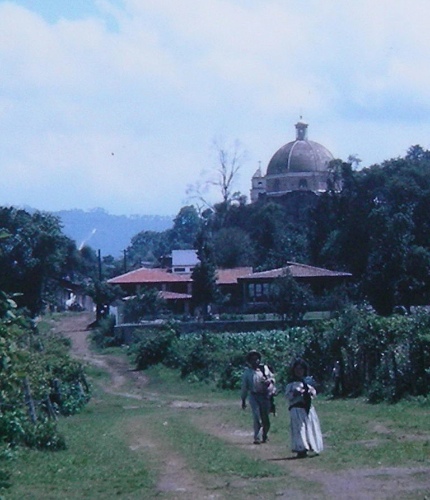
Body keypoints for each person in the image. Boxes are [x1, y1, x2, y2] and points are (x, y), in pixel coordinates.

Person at [285, 358, 323, 458]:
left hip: (308, 408)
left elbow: (314, 393)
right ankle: (301, 449)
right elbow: (288, 396)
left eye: (301, 369)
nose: (299, 371)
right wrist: (295, 394)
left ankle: (312, 446)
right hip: (297, 408)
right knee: (299, 429)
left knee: (310, 427)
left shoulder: (308, 382)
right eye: (297, 369)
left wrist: (310, 392)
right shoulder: (291, 383)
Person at [241, 350, 276, 445]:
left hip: (265, 396)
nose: (255, 361)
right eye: (252, 359)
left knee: (266, 419)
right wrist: (243, 400)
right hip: (254, 396)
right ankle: (257, 437)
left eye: (256, 359)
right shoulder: (247, 373)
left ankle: (265, 435)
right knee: (257, 416)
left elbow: (272, 379)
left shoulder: (264, 369)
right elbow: (244, 387)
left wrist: (269, 381)